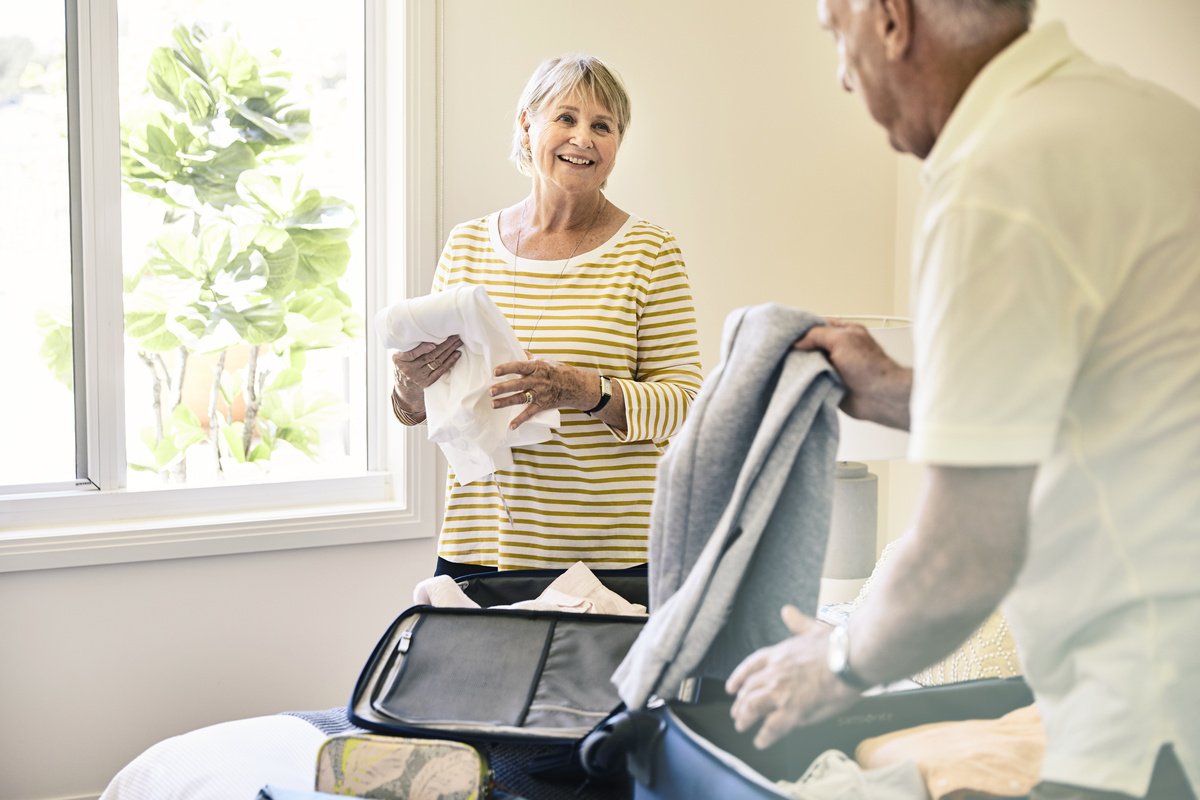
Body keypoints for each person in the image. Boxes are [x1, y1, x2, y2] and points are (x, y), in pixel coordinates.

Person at [726, 2, 1200, 800]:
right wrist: (896, 393)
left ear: (889, 20)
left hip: (1141, 711)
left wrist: (835, 663)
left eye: (834, 36)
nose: (843, 75)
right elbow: (1110, 406)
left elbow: (963, 554)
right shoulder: (1158, 123)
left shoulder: (997, 172)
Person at [389, 54, 703, 578]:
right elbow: (423, 406)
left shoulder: (650, 252)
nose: (583, 137)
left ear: (616, 146)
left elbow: (687, 405)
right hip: (478, 545)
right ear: (526, 124)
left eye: (602, 126)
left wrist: (586, 390)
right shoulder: (466, 245)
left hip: (609, 559)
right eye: (566, 117)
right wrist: (408, 386)